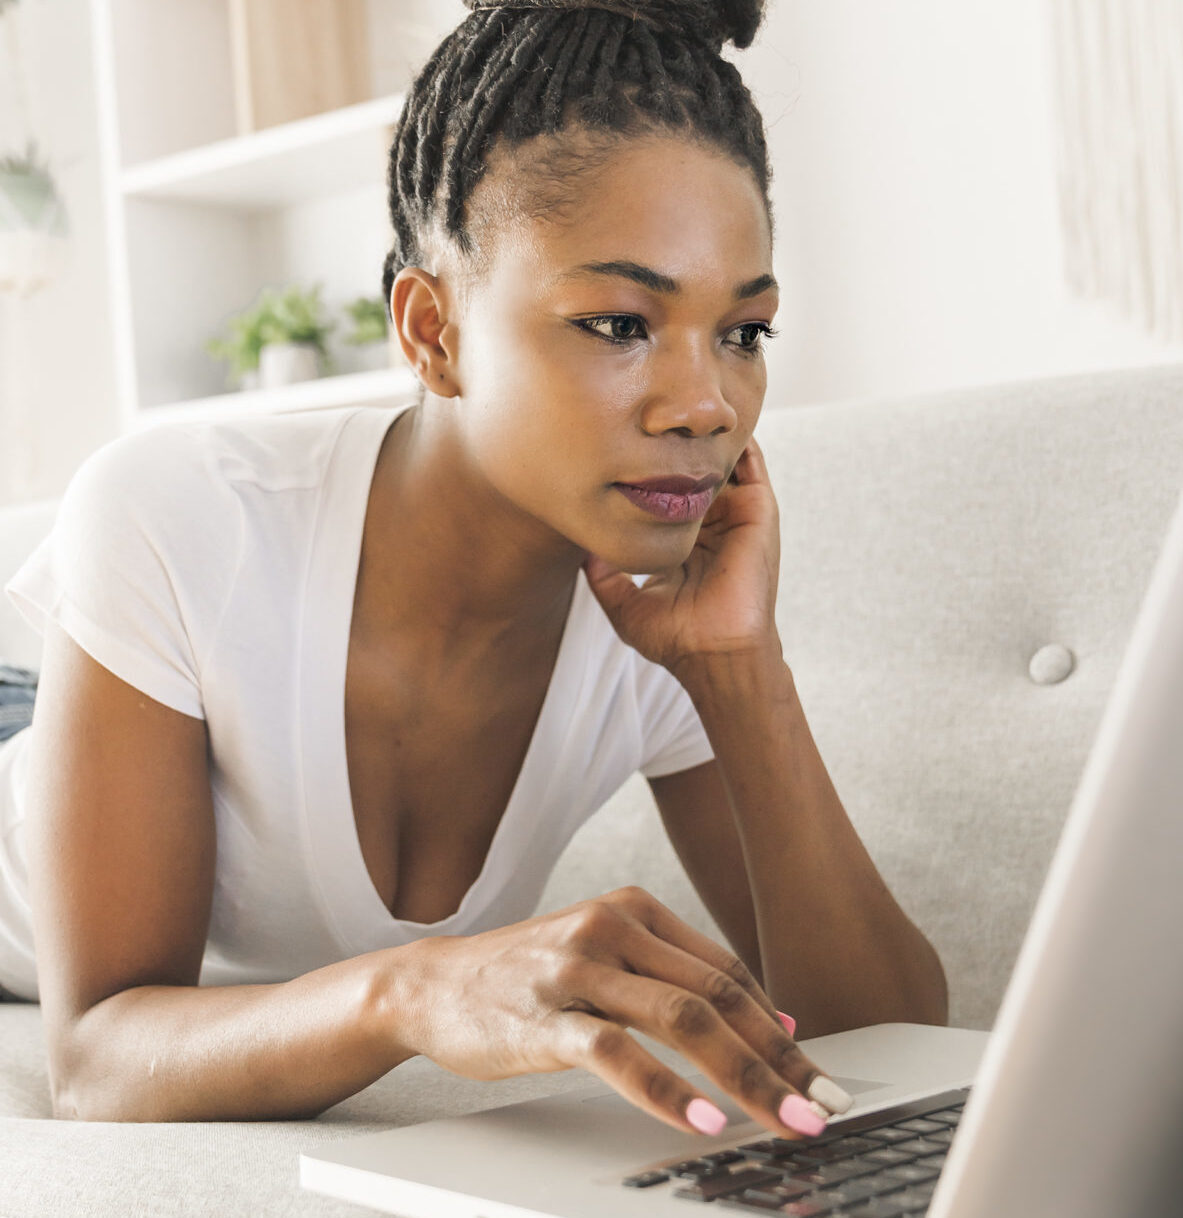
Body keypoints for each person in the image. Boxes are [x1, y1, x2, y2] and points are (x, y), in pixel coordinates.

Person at [0, 0, 947, 1131]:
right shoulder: (182, 515)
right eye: (618, 322)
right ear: (431, 331)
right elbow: (99, 1060)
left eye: (743, 332)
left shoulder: (660, 605)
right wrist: (421, 987)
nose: (707, 406)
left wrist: (741, 670)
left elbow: (897, 1043)